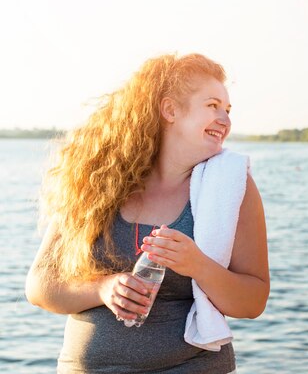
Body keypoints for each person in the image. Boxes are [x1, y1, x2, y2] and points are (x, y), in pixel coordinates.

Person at [26, 53, 270, 373]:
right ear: (170, 110)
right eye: (212, 106)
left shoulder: (232, 185)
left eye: (227, 110)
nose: (225, 119)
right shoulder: (98, 180)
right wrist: (102, 288)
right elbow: (41, 286)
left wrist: (197, 264)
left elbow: (252, 302)